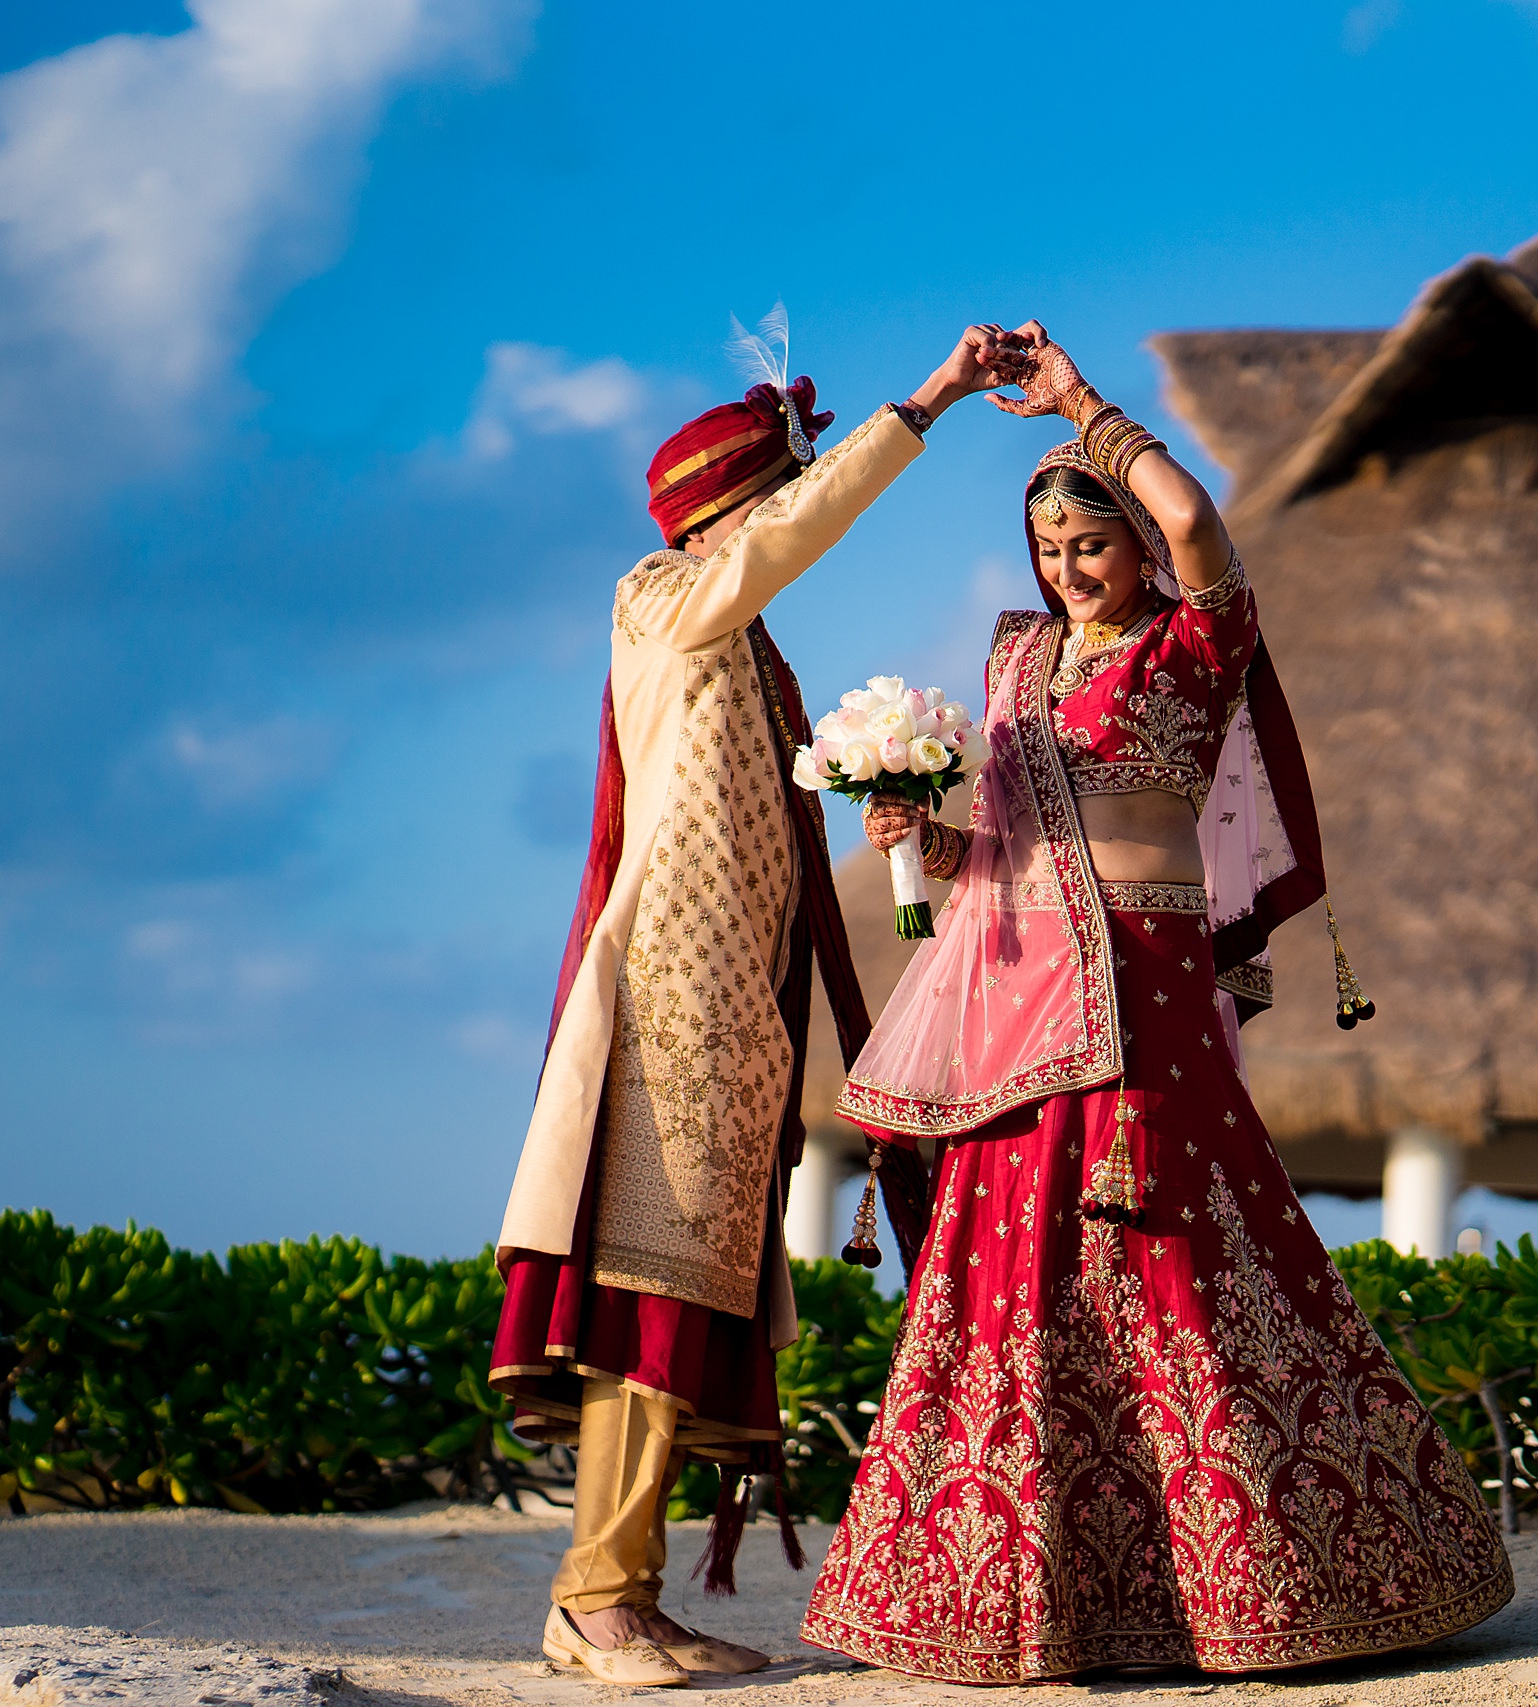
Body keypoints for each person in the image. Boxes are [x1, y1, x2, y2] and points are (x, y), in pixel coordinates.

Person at [799, 328, 1515, 1682]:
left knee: (1181, 1231)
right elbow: (1000, 865)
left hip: (1145, 975)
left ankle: (1276, 1579)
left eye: (1094, 546)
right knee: (1014, 1248)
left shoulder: (1195, 646)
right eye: (1052, 551)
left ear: (1135, 550)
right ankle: (1021, 1590)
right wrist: (926, 842)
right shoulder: (1020, 669)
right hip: (1023, 995)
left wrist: (1079, 404)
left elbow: (1196, 518)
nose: (1070, 571)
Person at [488, 325, 1015, 1689]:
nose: (787, 520)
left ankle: (626, 1596)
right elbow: (799, 527)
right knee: (645, 1303)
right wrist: (932, 401)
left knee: (688, 1305)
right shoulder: (666, 597)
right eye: (771, 499)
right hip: (668, 1007)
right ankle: (595, 1599)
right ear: (730, 515)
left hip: (737, 1025)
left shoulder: (744, 640)